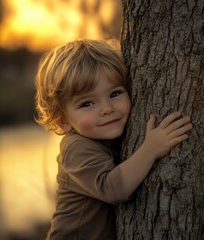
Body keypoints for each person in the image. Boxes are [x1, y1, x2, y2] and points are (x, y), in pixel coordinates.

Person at [35, 39, 193, 240]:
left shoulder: (107, 135)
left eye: (115, 93)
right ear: (62, 120)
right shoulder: (75, 148)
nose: (107, 109)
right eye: (87, 104)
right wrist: (151, 149)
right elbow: (114, 189)